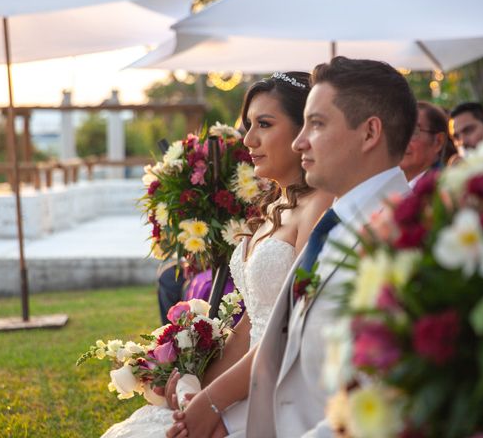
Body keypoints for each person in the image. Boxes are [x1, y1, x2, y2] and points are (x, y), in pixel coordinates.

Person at [168, 57, 416, 437]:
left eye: (316, 124)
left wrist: (217, 405)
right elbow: (278, 335)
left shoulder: (401, 237)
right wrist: (202, 392)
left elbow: (380, 397)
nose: (302, 141)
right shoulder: (340, 222)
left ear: (369, 134)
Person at [101, 72, 332, 438]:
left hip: (279, 390)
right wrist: (198, 384)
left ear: (304, 132)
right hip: (241, 379)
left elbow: (286, 332)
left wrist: (213, 403)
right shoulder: (277, 204)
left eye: (265, 125)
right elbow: (248, 325)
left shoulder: (320, 205)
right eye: (247, 126)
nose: (249, 139)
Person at [400, 101, 448, 187]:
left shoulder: (444, 188)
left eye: (413, 131)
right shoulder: (396, 190)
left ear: (438, 142)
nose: (402, 139)